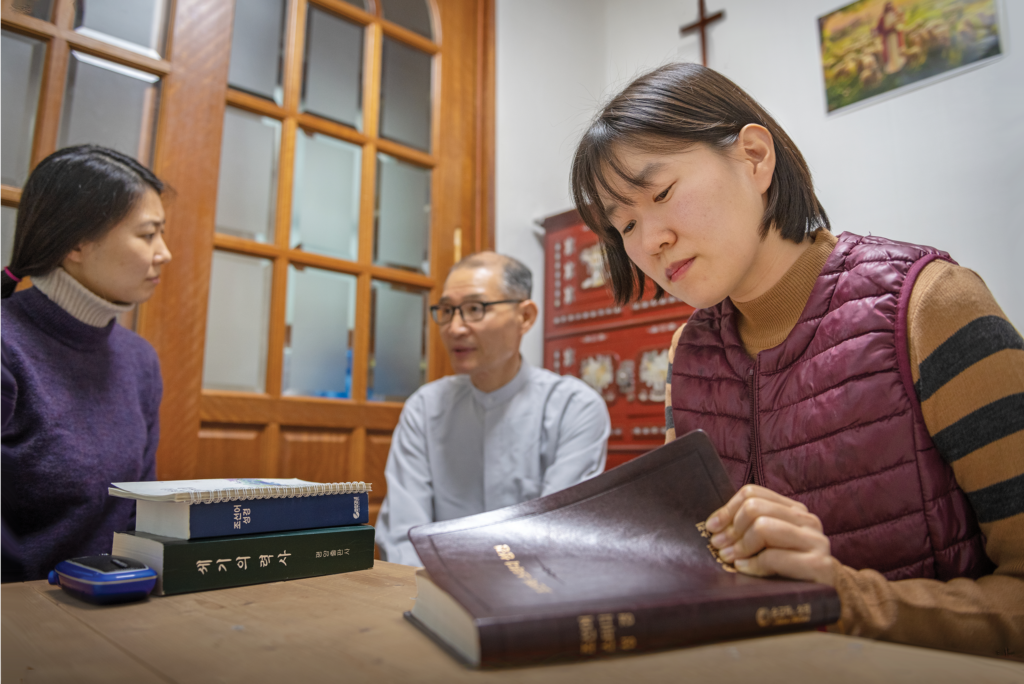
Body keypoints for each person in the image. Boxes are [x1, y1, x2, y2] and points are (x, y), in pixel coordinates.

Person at [570, 63, 1023, 656]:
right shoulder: (689, 356)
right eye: (625, 223)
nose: (649, 240)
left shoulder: (931, 305)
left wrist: (841, 597)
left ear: (755, 157)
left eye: (662, 193)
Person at [1, 145, 171, 582]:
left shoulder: (139, 360)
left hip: (114, 603)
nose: (163, 253)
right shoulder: (7, 345)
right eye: (148, 234)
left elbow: (143, 511)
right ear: (76, 242)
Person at [376, 252, 611, 566]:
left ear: (525, 317)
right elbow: (404, 535)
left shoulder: (574, 408)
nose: (455, 328)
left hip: (534, 597)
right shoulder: (424, 407)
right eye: (446, 311)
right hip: (432, 593)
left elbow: (558, 534)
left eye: (475, 309)